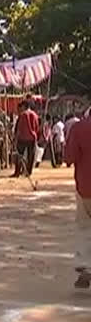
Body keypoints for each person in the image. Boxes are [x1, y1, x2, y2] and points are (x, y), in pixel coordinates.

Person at [64, 113, 91, 288]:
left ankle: (85, 265)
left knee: (84, 226)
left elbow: (69, 158)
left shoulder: (79, 128)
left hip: (85, 186)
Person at [13, 101, 39, 177]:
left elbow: (19, 128)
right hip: (32, 137)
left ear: (24, 106)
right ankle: (28, 172)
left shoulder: (23, 115)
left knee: (19, 155)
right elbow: (37, 127)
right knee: (31, 156)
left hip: (23, 137)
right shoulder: (35, 115)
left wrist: (15, 139)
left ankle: (17, 172)